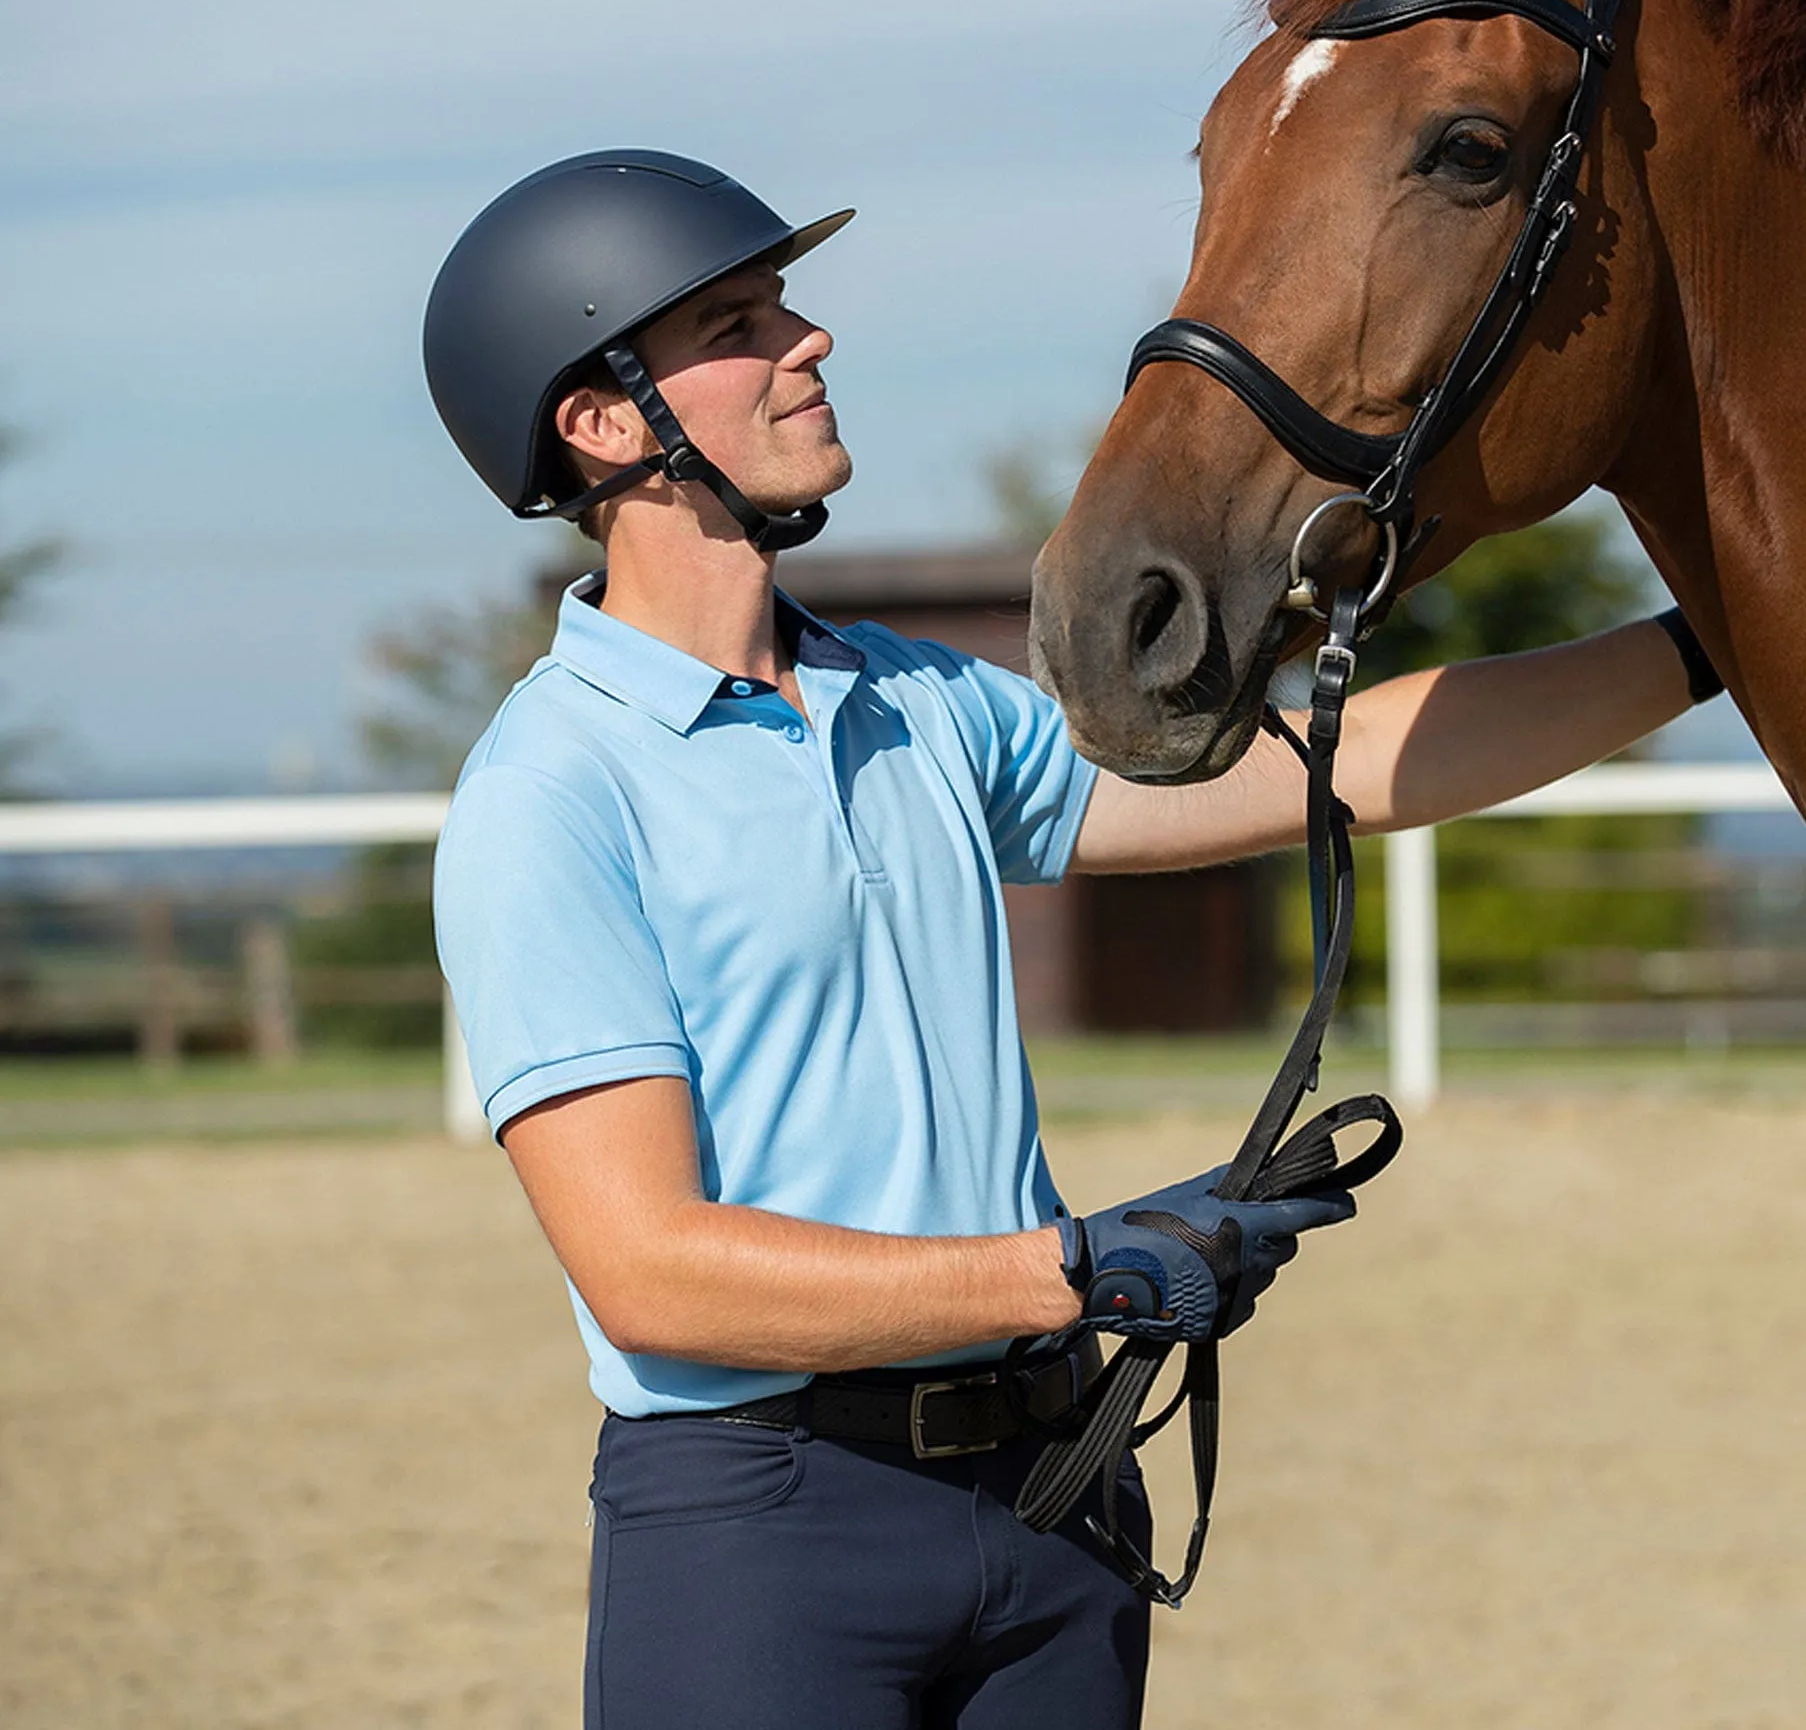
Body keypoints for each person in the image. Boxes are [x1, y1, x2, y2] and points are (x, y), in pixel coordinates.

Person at [423, 148, 1714, 1730]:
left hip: (1053, 1508)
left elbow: (1348, 768)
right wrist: (1071, 1269)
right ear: (606, 423)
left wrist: (1717, 640)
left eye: (787, 302)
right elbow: (654, 1277)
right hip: (764, 1534)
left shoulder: (918, 705)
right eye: (742, 321)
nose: (808, 338)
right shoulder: (551, 793)